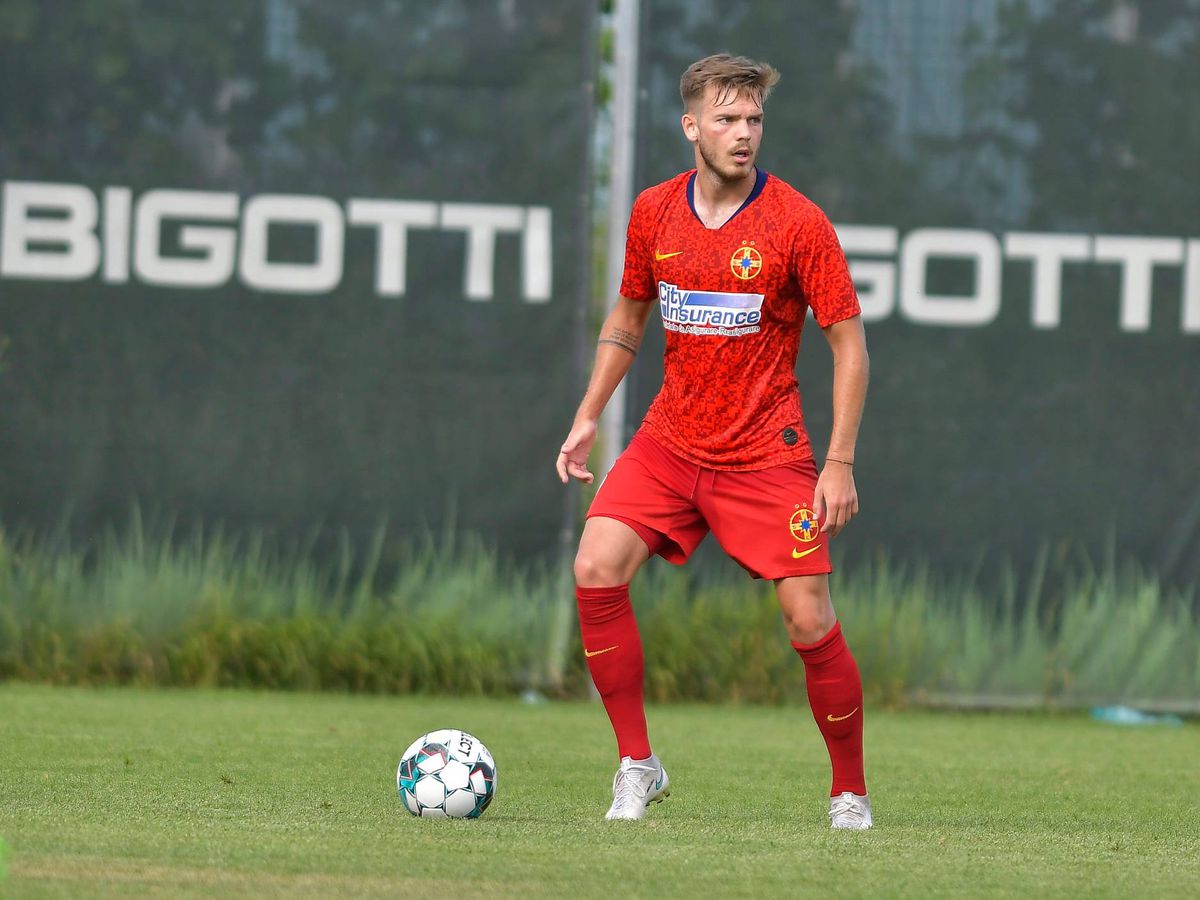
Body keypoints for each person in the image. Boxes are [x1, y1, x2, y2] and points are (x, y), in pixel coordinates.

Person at [556, 53, 871, 829]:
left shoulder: (798, 222)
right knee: (596, 565)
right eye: (726, 118)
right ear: (690, 125)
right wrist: (590, 412)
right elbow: (628, 322)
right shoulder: (654, 212)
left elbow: (850, 347)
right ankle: (638, 764)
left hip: (768, 453)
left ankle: (849, 792)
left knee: (809, 619)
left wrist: (837, 463)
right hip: (670, 443)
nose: (743, 133)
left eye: (754, 119)